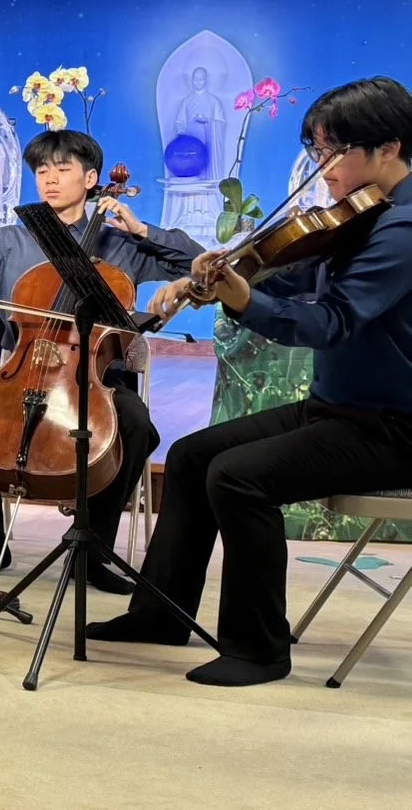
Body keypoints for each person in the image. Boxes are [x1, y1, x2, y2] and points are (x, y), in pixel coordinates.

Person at [88, 77, 412, 686]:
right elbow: (300, 280)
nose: (322, 168)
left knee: (238, 478)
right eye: (318, 151)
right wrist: (229, 274)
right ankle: (162, 614)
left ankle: (259, 649)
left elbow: (331, 321)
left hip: (393, 430)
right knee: (190, 455)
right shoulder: (369, 216)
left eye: (333, 153)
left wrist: (243, 300)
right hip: (339, 411)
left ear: (388, 147)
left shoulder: (404, 229)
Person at [0, 130, 203, 594]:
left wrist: (142, 230)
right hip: (21, 370)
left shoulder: (120, 243)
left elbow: (196, 262)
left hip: (93, 377)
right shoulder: (11, 239)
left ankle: (93, 547)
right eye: (42, 170)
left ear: (92, 178)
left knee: (136, 427)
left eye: (63, 169)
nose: (50, 179)